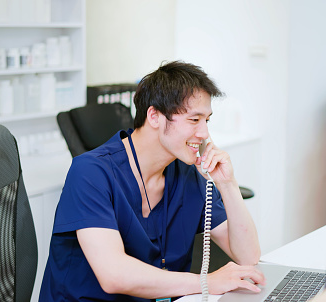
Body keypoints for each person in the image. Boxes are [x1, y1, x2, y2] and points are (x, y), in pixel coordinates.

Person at [39, 60, 265, 301]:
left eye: (206, 120)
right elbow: (113, 275)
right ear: (155, 116)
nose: (204, 134)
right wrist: (207, 281)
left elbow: (248, 257)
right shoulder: (90, 172)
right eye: (194, 120)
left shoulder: (187, 174)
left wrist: (227, 183)